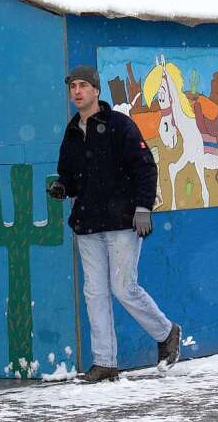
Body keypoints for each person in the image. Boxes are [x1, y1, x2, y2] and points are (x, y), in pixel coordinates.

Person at [49, 65, 181, 383]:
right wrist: (62, 188)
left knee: (123, 288)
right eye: (72, 87)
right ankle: (105, 362)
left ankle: (167, 333)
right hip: (87, 224)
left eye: (83, 85)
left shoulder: (119, 126)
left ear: (96, 90)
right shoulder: (70, 133)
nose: (77, 91)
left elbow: (144, 167)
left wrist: (142, 208)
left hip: (122, 221)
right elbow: (69, 177)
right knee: (94, 292)